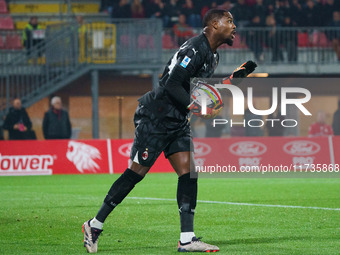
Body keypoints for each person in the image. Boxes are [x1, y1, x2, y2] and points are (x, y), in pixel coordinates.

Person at [82, 9, 257, 253]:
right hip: (156, 117)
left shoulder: (212, 56)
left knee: (188, 173)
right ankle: (94, 224)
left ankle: (187, 239)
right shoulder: (194, 49)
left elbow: (199, 90)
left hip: (177, 121)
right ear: (215, 25)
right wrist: (197, 107)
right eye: (229, 21)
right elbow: (172, 83)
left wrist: (232, 80)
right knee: (135, 174)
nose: (234, 26)